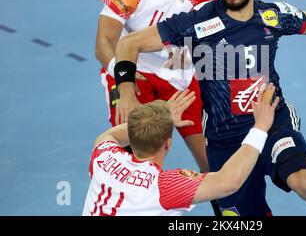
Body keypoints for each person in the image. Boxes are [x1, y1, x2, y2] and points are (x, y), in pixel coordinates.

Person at [113, 0, 306, 216]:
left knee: (304, 183)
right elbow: (129, 44)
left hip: (271, 123)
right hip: (224, 139)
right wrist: (126, 92)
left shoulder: (273, 16)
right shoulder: (197, 22)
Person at [95, 0, 218, 178]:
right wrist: (125, 85)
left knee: (213, 165)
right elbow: (103, 44)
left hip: (180, 75)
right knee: (133, 161)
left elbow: (216, 39)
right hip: (134, 74)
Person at [83, 84, 279, 216]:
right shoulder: (163, 186)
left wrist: (159, 119)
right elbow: (228, 182)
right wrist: (260, 127)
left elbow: (108, 136)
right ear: (167, 143)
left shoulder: (105, 158)